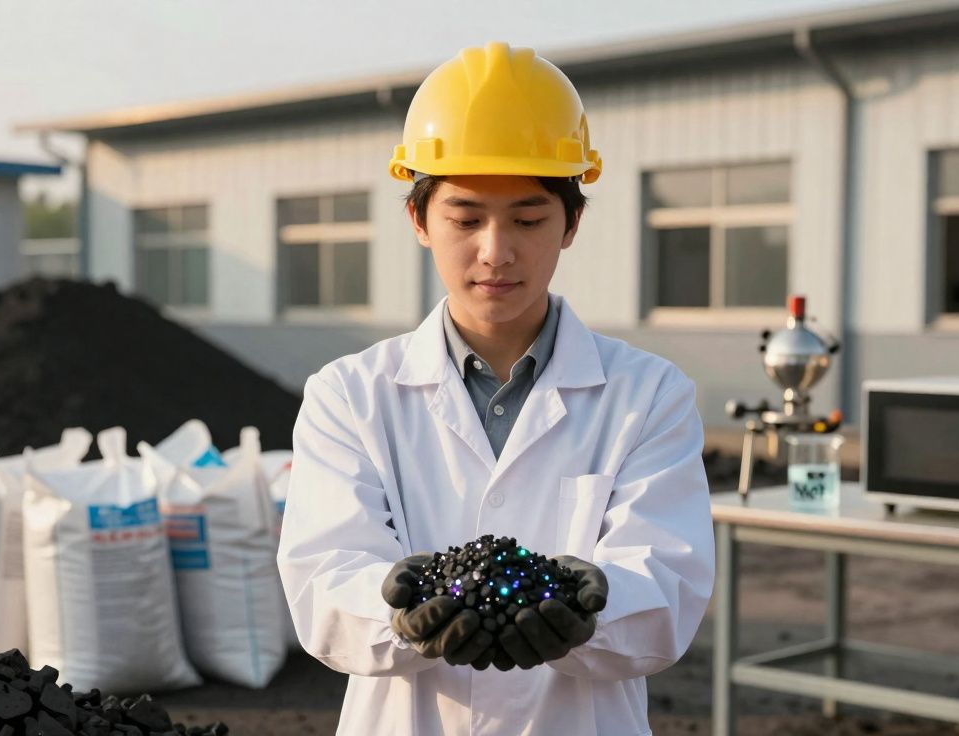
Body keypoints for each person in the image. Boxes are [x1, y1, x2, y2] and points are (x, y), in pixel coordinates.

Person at [277, 41, 715, 736]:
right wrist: (398, 612)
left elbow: (668, 589)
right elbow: (322, 584)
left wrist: (587, 612)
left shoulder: (649, 396)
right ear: (419, 220)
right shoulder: (349, 396)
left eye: (528, 219)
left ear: (571, 224)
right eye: (466, 217)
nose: (495, 251)